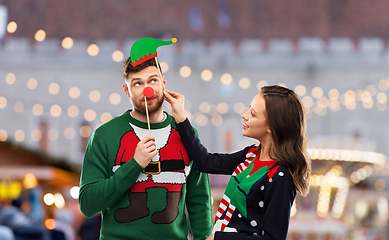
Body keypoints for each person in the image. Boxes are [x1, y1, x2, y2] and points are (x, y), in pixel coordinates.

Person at [78, 57, 213, 240]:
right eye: (137, 83)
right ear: (127, 90)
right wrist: (135, 164)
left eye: (153, 81)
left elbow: (199, 200)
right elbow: (87, 205)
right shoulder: (104, 136)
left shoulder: (186, 134)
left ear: (163, 83)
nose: (147, 90)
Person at [164, 85, 311, 240]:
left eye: (253, 114)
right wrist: (181, 117)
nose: (244, 115)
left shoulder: (281, 178)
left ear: (272, 126)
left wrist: (219, 238)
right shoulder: (251, 155)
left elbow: (272, 238)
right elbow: (205, 162)